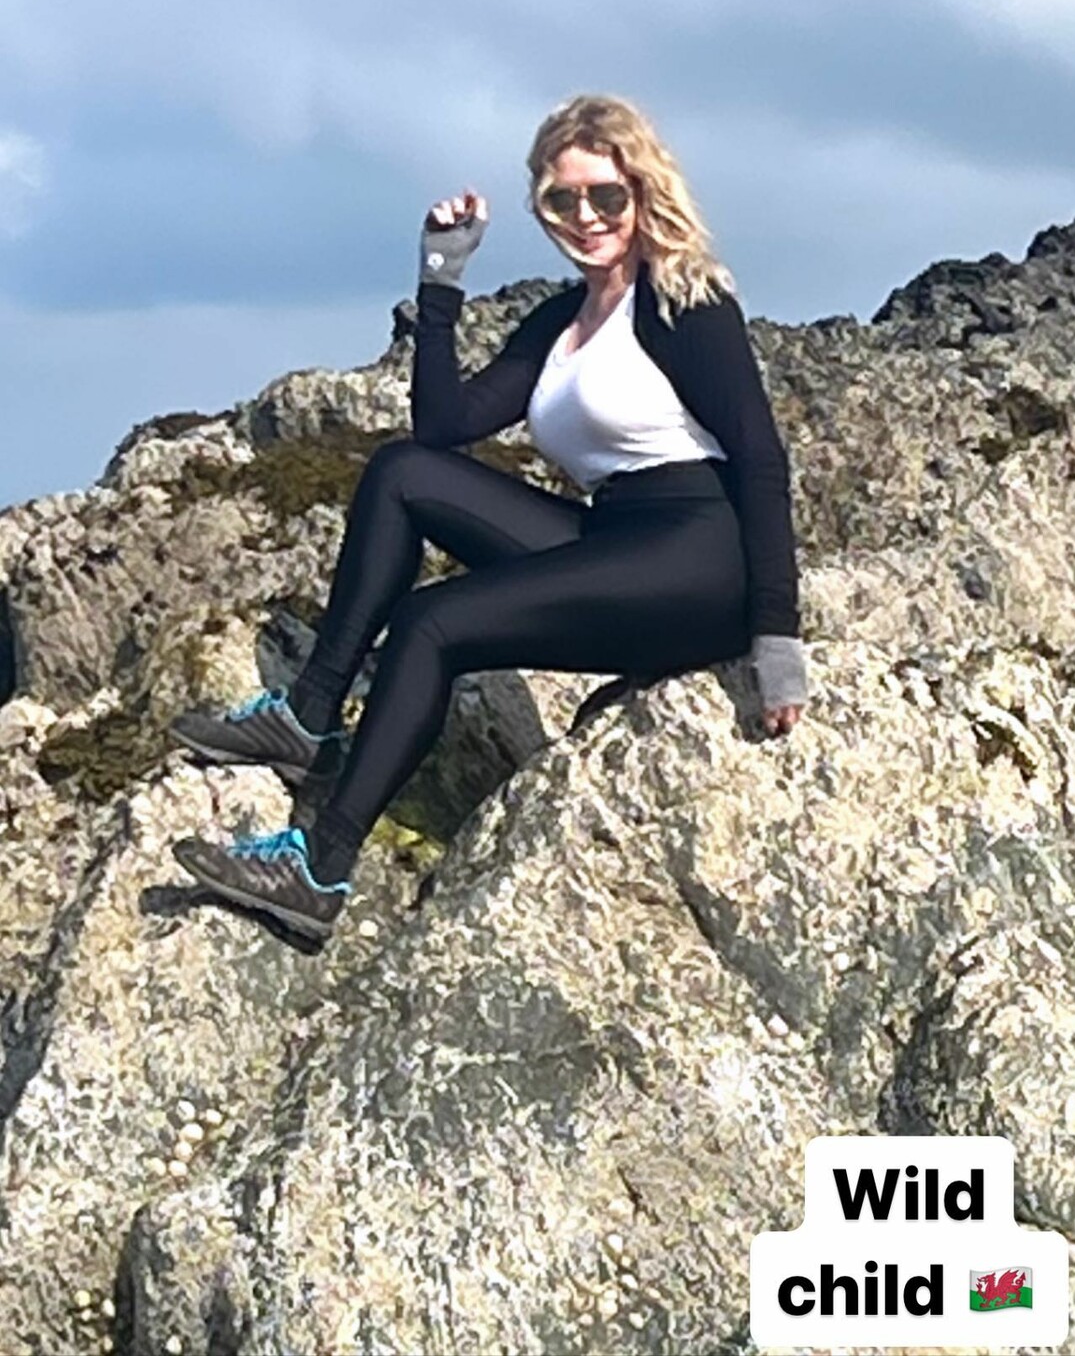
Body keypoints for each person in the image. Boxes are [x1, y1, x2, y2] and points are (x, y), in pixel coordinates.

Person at [171, 94, 807, 945]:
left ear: (642, 191)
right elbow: (444, 427)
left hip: (699, 557)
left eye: (605, 196)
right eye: (562, 199)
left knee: (433, 622)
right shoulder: (560, 321)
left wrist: (777, 639)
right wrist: (440, 281)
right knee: (403, 473)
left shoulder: (682, 300)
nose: (586, 217)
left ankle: (319, 867)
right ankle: (308, 714)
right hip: (616, 535)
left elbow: (761, 457)